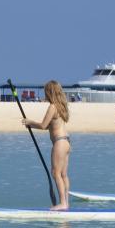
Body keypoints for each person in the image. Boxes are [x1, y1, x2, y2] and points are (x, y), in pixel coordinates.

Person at [22, 80, 72, 210]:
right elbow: (51, 126)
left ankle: (62, 203)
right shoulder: (61, 106)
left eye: (46, 92)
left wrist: (30, 122)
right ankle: (66, 203)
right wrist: (32, 125)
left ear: (50, 92)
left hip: (59, 142)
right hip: (66, 141)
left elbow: (43, 125)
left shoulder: (52, 107)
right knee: (63, 174)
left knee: (55, 173)